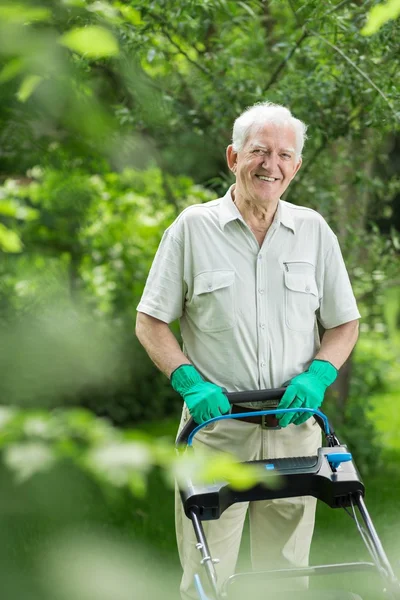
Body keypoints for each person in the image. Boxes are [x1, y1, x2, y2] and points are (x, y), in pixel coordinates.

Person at [135, 102, 360, 599]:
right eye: (259, 151)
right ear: (234, 156)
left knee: (286, 578)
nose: (270, 164)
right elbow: (150, 321)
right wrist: (189, 383)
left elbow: (344, 324)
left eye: (284, 155)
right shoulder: (192, 229)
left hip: (294, 432)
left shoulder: (314, 231)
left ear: (296, 167)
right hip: (216, 435)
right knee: (206, 577)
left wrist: (319, 376)